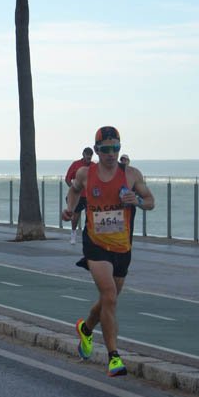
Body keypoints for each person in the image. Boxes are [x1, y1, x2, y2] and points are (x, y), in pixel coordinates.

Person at [61, 126, 155, 377]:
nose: (111, 154)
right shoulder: (85, 173)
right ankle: (114, 357)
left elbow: (151, 201)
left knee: (107, 300)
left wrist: (139, 202)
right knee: (110, 295)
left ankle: (87, 329)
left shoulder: (132, 175)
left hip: (123, 246)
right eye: (105, 150)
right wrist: (69, 209)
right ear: (97, 150)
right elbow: (74, 191)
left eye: (115, 149)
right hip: (95, 243)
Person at [64, 147, 93, 244]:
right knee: (75, 216)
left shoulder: (94, 166)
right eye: (87, 155)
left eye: (90, 156)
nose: (89, 157)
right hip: (79, 196)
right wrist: (73, 189)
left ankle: (89, 236)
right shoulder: (76, 164)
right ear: (83, 155)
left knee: (90, 217)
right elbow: (68, 179)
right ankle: (73, 235)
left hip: (90, 196)